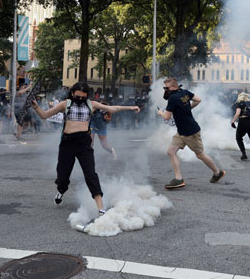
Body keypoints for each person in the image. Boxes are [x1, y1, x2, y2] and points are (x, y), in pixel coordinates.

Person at [31, 82, 140, 215]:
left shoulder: (91, 104)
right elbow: (44, 115)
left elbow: (112, 109)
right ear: (72, 94)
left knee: (91, 174)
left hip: (84, 143)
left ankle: (100, 208)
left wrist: (131, 108)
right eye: (78, 96)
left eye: (83, 97)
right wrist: (36, 107)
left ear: (87, 96)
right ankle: (61, 191)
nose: (81, 99)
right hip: (67, 143)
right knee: (62, 177)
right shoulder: (65, 104)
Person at [157, 77, 225, 189]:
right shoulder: (185, 92)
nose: (166, 90)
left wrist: (160, 113)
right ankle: (178, 179)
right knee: (171, 152)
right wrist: (188, 108)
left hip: (190, 132)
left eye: (167, 88)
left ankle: (217, 172)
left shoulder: (173, 98)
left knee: (200, 155)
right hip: (181, 132)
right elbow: (198, 99)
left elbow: (167, 117)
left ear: (174, 86)